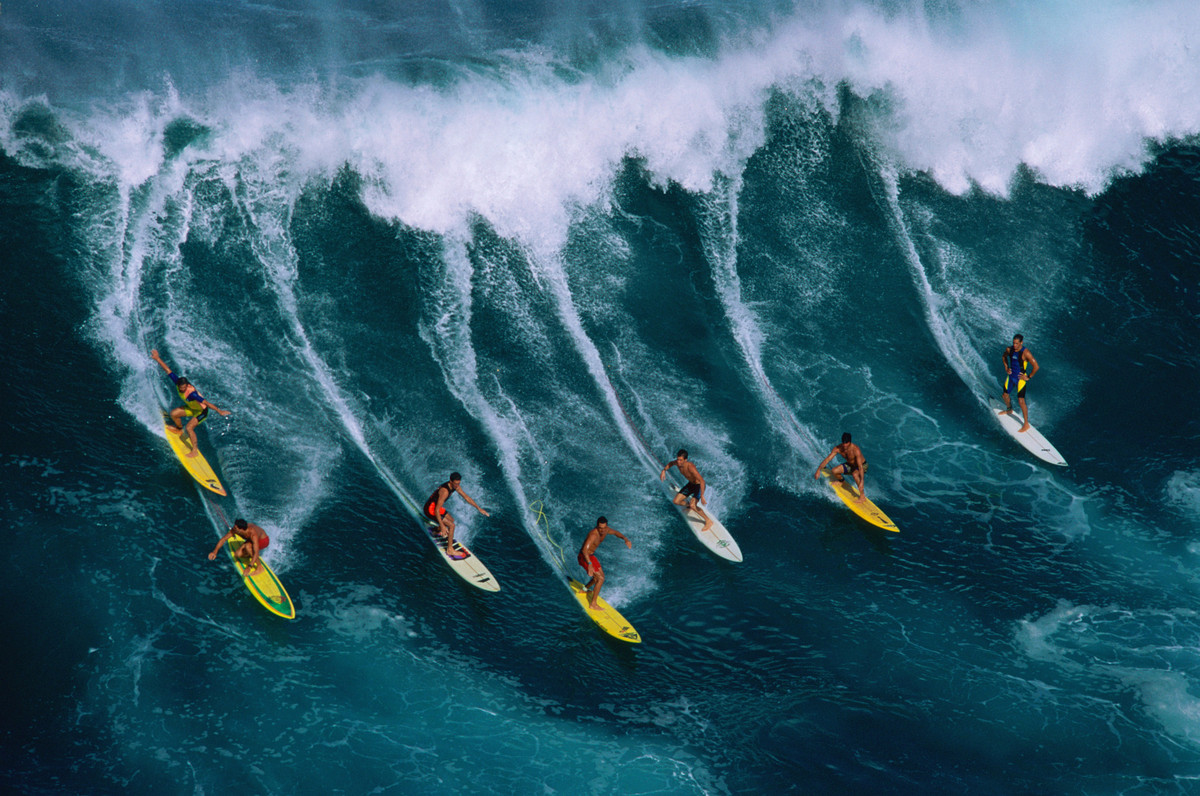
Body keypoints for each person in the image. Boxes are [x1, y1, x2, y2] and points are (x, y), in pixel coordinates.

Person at [151, 349, 231, 457]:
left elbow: (206, 403)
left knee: (189, 428)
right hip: (191, 408)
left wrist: (219, 411)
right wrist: (157, 358)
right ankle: (179, 429)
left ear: (187, 385)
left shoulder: (192, 394)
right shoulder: (177, 382)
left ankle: (194, 451)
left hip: (201, 412)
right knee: (174, 414)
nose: (182, 389)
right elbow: (168, 370)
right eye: (181, 387)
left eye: (184, 387)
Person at [424, 472, 490, 560]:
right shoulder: (445, 491)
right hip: (430, 509)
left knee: (451, 520)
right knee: (451, 525)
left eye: (458, 483)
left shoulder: (456, 486)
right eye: (455, 484)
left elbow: (466, 498)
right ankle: (450, 550)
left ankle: (436, 531)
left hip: (436, 507)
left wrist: (478, 508)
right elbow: (436, 510)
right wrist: (443, 526)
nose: (457, 486)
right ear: (450, 481)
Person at [577, 516, 632, 610]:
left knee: (599, 577)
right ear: (597, 526)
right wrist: (589, 564)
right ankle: (593, 604)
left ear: (606, 527)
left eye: (603, 528)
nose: (601, 531)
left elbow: (615, 533)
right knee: (601, 579)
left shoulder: (606, 530)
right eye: (599, 528)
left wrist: (625, 539)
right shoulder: (593, 535)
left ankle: (584, 590)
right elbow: (584, 550)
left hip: (591, 556)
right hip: (584, 557)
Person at [660, 448, 713, 531]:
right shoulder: (677, 463)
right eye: (678, 459)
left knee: (693, 505)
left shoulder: (690, 467)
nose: (678, 462)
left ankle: (708, 521)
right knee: (676, 501)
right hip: (690, 485)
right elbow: (671, 463)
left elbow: (702, 481)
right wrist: (664, 470)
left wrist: (702, 496)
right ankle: (688, 504)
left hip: (698, 486)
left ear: (685, 460)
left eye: (681, 460)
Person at [999, 333, 1040, 432]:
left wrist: (1028, 377)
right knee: (1004, 395)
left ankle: (1026, 424)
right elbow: (1004, 357)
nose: (1015, 345)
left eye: (1017, 343)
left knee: (1021, 401)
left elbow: (1036, 367)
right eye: (1014, 343)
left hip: (1020, 379)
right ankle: (1009, 409)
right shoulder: (1010, 349)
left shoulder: (1026, 353)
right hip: (1011, 377)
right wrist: (1006, 367)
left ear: (1021, 343)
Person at [814, 432, 867, 503]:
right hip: (851, 465)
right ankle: (841, 481)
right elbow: (827, 459)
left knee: (855, 474)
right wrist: (818, 470)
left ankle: (862, 496)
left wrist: (862, 481)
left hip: (862, 465)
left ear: (850, 442)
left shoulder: (856, 450)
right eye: (843, 445)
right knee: (834, 471)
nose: (845, 447)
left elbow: (860, 467)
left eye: (846, 446)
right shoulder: (838, 448)